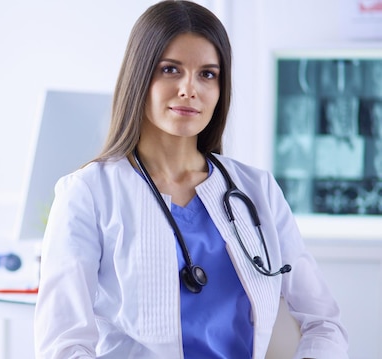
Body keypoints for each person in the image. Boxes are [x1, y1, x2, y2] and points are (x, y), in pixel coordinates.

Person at [33, 1, 349, 358]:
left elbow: (324, 321)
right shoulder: (88, 193)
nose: (189, 89)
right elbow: (63, 345)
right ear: (140, 76)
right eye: (171, 69)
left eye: (207, 74)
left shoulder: (257, 191)